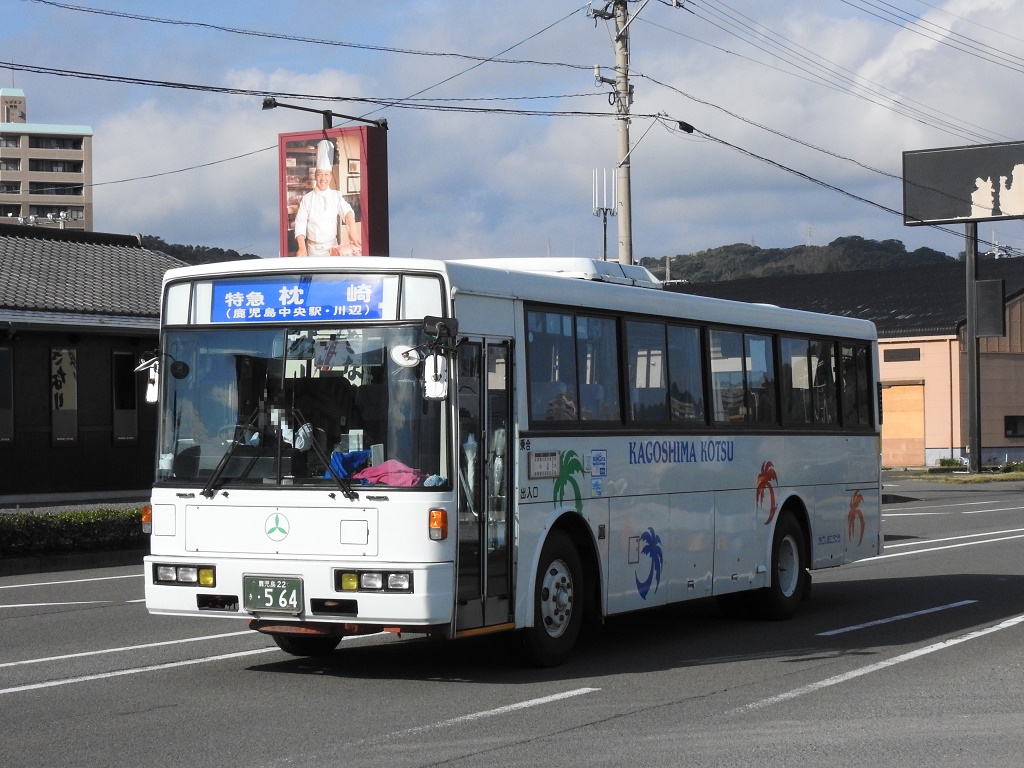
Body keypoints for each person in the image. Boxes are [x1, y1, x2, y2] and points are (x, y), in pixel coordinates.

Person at [292, 139, 362, 256]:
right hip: (313, 250)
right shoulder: (307, 199)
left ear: (330, 177)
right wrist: (301, 247)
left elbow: (348, 212)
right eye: (320, 174)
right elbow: (300, 224)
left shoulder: (336, 195)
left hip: (333, 249)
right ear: (315, 176)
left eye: (326, 174)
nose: (323, 178)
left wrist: (353, 230)